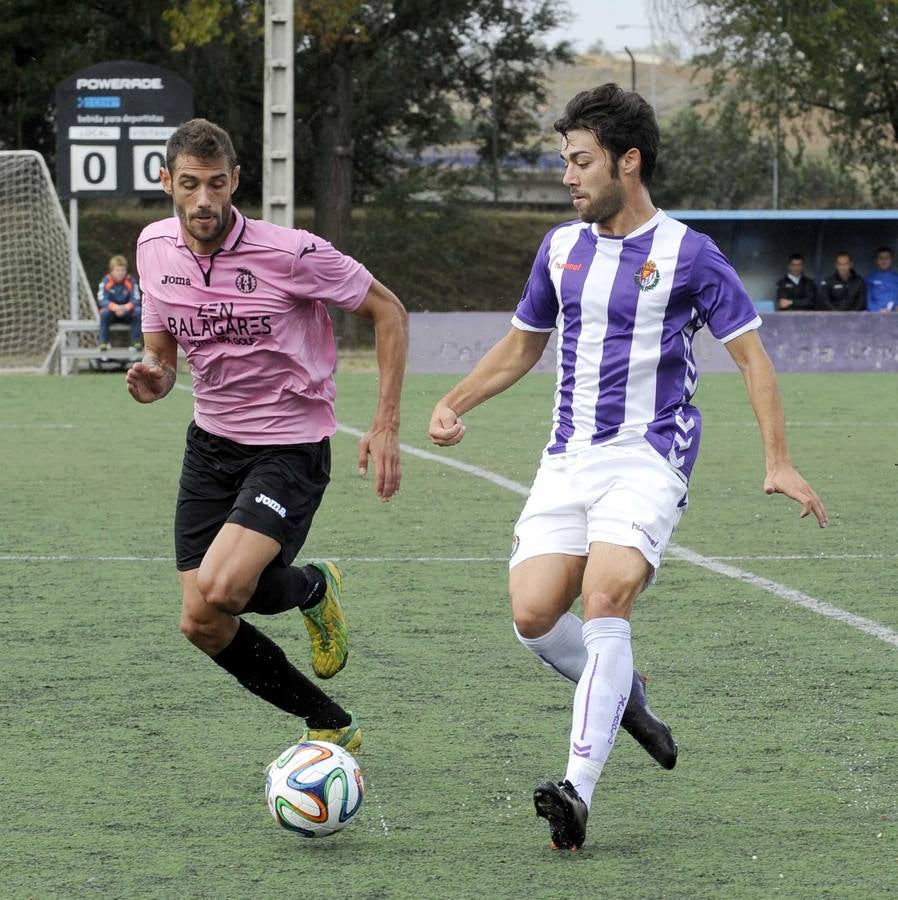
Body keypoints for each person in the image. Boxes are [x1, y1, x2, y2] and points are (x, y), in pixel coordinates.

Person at [428, 84, 827, 852]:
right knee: (533, 615)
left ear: (628, 162)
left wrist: (777, 460)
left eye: (581, 162)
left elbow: (752, 358)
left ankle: (576, 789)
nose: (568, 176)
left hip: (650, 455)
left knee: (607, 595)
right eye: (566, 161)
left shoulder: (689, 253)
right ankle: (625, 695)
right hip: (567, 458)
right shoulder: (559, 249)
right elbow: (523, 343)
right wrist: (457, 400)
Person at [126, 118, 407, 755]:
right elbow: (162, 352)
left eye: (216, 184)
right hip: (211, 442)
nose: (204, 200)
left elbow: (388, 310)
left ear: (235, 182)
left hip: (289, 445)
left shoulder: (291, 252)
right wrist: (157, 376)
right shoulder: (151, 247)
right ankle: (329, 720)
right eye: (190, 185)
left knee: (226, 588)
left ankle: (311, 584)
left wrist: (386, 423)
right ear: (166, 181)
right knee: (201, 620)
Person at [97, 254, 142, 349]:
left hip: (127, 313)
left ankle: (136, 342)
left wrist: (126, 307)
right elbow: (102, 300)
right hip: (112, 313)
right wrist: (114, 307)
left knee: (138, 311)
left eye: (123, 270)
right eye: (118, 270)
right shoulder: (105, 281)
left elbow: (136, 299)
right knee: (104, 312)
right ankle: (103, 342)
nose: (120, 273)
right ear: (111, 271)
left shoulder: (131, 281)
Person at [864, 246, 898, 312]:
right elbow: (866, 300)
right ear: (876, 260)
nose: (884, 261)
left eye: (887, 258)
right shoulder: (869, 278)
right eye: (881, 258)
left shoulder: (896, 277)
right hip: (875, 316)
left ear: (891, 260)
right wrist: (878, 309)